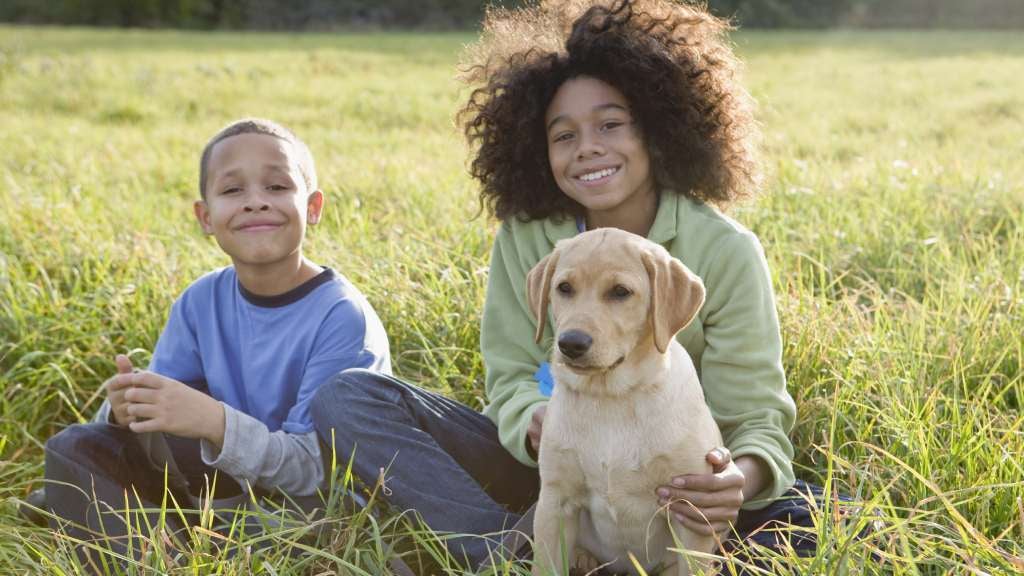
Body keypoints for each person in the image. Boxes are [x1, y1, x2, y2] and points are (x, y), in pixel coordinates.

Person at [314, 1, 849, 572]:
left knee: (837, 519)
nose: (587, 147)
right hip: (554, 466)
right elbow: (513, 375)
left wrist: (733, 482)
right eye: (562, 135)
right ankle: (512, 549)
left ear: (658, 130)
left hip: (674, 487)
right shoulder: (529, 238)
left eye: (611, 125)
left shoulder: (725, 250)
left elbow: (757, 416)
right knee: (350, 397)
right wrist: (535, 423)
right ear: (537, 148)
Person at [37, 118, 391, 564]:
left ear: (314, 206)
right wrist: (128, 409)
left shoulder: (341, 315)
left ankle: (159, 548)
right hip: (223, 488)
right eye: (232, 191)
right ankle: (159, 550)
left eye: (278, 187)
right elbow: (162, 412)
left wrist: (214, 422)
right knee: (74, 447)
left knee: (294, 532)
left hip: (312, 515)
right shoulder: (201, 300)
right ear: (206, 218)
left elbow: (316, 472)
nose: (256, 203)